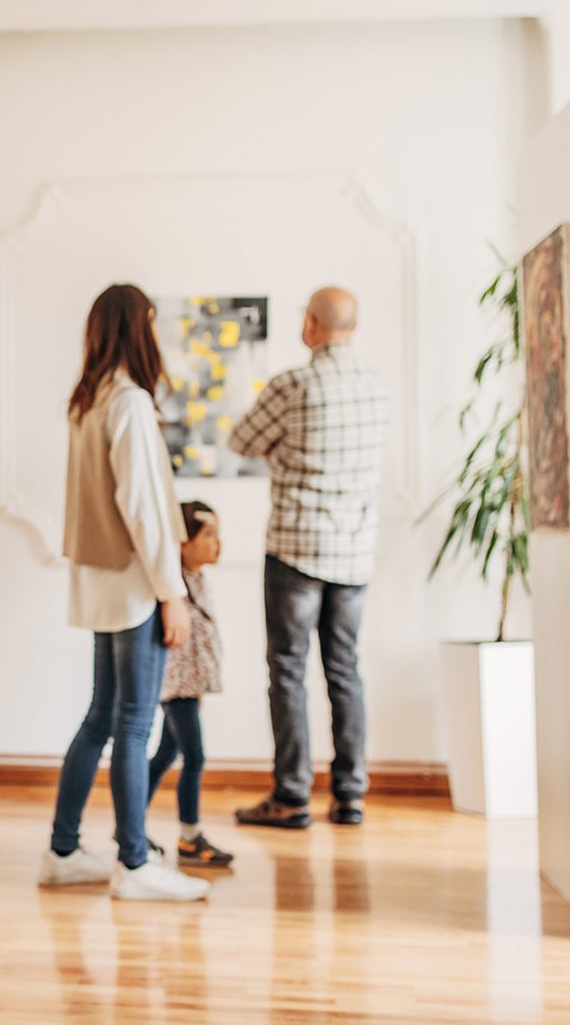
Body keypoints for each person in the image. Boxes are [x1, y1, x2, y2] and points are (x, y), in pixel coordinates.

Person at [39, 284, 212, 903]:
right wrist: (173, 593)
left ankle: (63, 851)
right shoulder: (130, 402)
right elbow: (142, 508)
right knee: (134, 726)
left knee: (100, 719)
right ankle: (134, 863)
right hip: (138, 587)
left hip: (100, 584)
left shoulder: (87, 402)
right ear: (138, 327)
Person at [227, 287, 388, 830]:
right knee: (345, 671)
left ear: (314, 326)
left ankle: (292, 795)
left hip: (297, 548)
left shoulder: (293, 385)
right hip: (355, 551)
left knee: (289, 672)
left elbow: (242, 441)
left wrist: (280, 448)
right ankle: (349, 796)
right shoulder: (375, 387)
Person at [145, 501, 235, 868]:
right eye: (208, 535)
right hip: (177, 688)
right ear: (183, 542)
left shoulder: (197, 580)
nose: (218, 544)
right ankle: (189, 836)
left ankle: (130, 825)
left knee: (166, 755)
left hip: (190, 687)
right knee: (194, 757)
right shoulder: (173, 586)